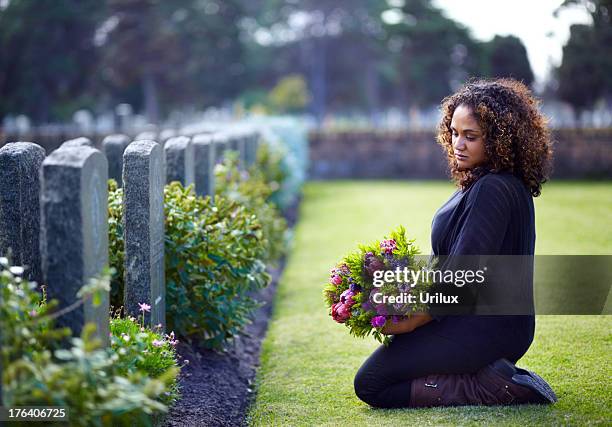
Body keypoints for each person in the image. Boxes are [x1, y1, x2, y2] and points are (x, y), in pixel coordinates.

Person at [353, 78, 557, 408]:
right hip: (472, 320)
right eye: (454, 132)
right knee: (385, 371)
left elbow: (464, 279)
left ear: (500, 140)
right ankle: (492, 375)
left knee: (372, 383)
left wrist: (411, 321)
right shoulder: (482, 183)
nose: (458, 143)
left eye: (470, 136)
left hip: (487, 328)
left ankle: (492, 387)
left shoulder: (493, 188)